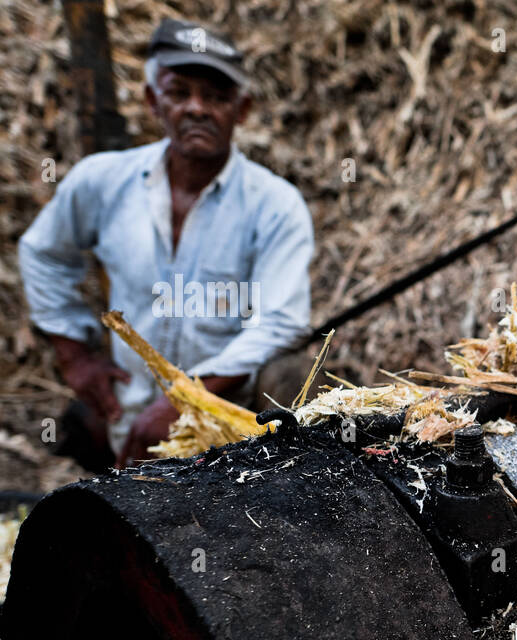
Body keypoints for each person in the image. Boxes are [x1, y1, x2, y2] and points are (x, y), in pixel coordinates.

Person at [18, 18, 313, 468]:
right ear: (154, 101)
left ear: (243, 109)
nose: (197, 109)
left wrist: (186, 400)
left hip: (231, 419)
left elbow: (281, 322)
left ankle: (278, 479)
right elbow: (42, 253)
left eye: (216, 97)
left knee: (291, 373)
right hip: (130, 409)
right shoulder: (103, 181)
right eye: (180, 93)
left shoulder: (275, 204)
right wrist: (75, 357)